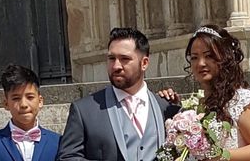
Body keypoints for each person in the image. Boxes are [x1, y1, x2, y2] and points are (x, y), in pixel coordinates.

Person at [56, 27, 179, 160]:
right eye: (111, 58)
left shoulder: (167, 108)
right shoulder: (84, 110)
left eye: (124, 59)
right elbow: (67, 157)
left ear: (144, 63)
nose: (116, 66)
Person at [162, 25, 250, 160]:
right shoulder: (190, 109)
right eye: (194, 57)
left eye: (209, 56)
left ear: (224, 57)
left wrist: (217, 156)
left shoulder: (243, 101)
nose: (201, 63)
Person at [0, 64, 60, 161]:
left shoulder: (58, 142)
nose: (24, 104)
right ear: (6, 103)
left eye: (30, 97)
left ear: (40, 101)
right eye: (16, 98)